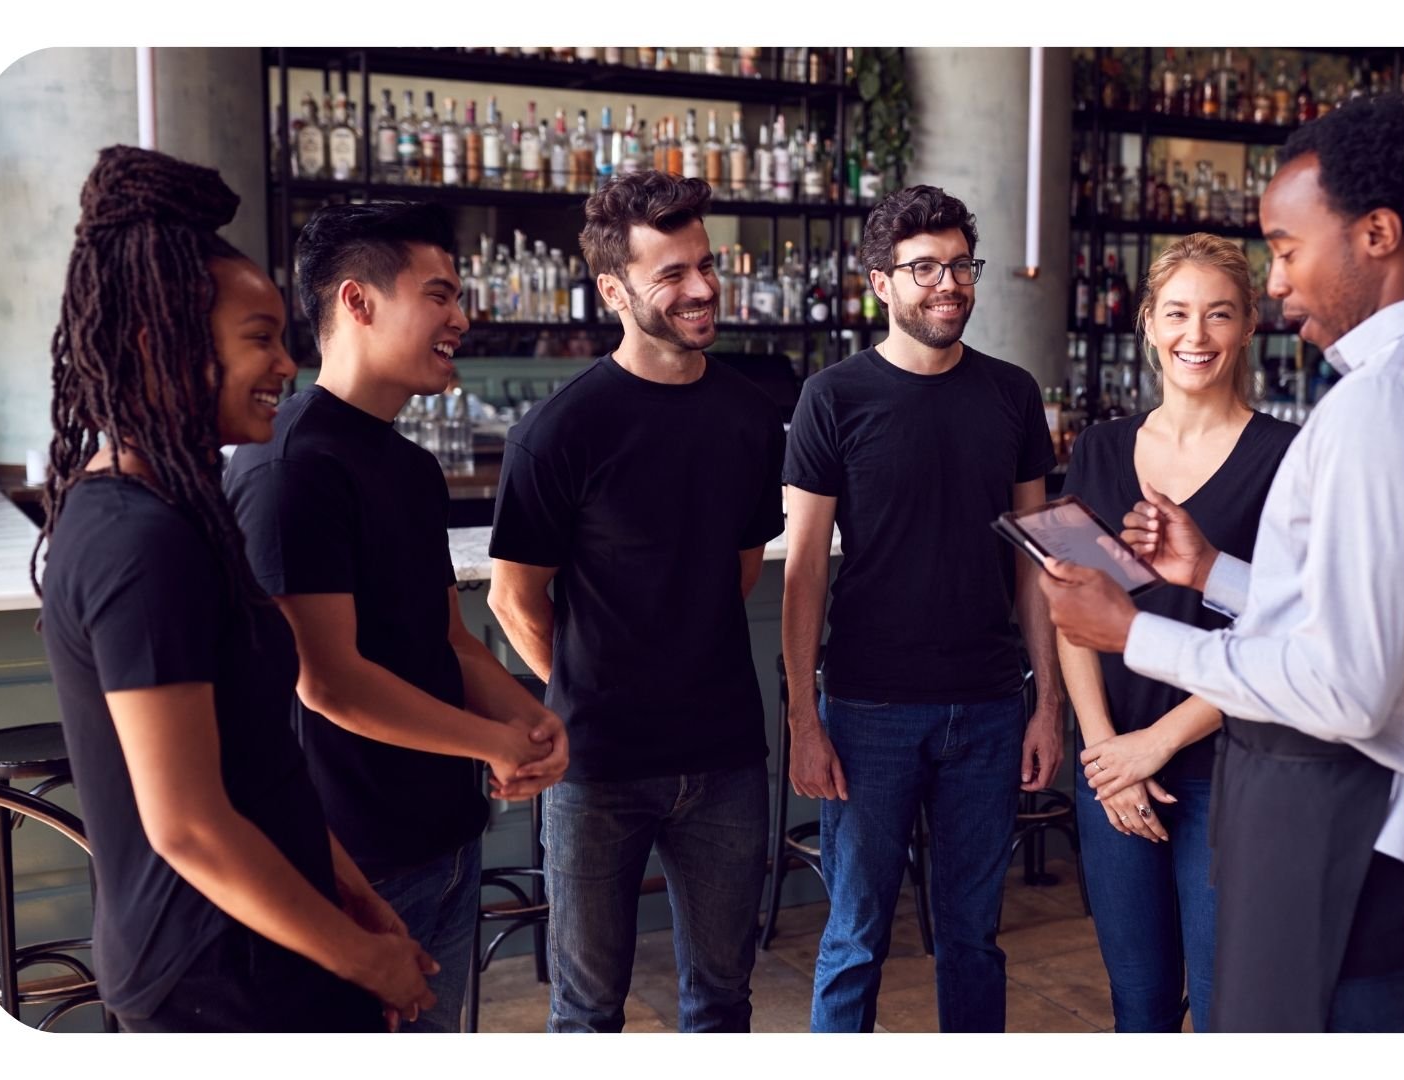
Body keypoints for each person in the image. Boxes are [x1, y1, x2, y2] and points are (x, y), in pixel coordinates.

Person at [1039, 96, 1404, 1032]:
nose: (1277, 283)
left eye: (1287, 247)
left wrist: (1134, 631)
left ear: (1377, 234)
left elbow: (1344, 685)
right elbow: (1366, 609)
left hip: (1352, 836)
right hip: (1399, 837)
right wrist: (1216, 575)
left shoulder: (1387, 401)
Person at [35, 146, 438, 1031]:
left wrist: (358, 902)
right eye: (259, 339)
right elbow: (189, 826)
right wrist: (361, 956)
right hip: (214, 974)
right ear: (160, 342)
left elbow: (261, 765)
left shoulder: (178, 510)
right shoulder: (137, 540)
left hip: (269, 945)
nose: (287, 366)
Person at [226, 201, 568, 1033]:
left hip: (444, 836)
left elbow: (446, 641)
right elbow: (328, 684)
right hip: (351, 860)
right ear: (358, 301)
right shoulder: (292, 467)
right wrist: (490, 743)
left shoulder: (411, 467)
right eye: (440, 295)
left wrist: (533, 717)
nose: (462, 317)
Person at [487, 172, 784, 1033]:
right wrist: (593, 686)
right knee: (586, 1011)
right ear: (614, 290)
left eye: (704, 264)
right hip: (599, 765)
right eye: (671, 274)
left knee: (724, 999)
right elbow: (513, 601)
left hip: (726, 753)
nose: (700, 289)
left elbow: (739, 566)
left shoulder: (748, 415)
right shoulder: (559, 430)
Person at [783, 185, 1064, 1033]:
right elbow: (803, 574)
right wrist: (803, 716)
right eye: (924, 268)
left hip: (987, 704)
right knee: (857, 935)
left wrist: (1046, 704)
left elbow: (1037, 560)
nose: (948, 284)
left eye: (961, 266)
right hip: (868, 707)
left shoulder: (1013, 395)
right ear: (881, 282)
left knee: (974, 936)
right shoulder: (832, 398)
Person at [1058, 234, 1298, 1033]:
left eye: (1219, 314)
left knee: (1231, 1005)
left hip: (1228, 769)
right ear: (1149, 324)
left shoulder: (1287, 459)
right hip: (1110, 768)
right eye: (1179, 314)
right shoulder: (1098, 448)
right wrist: (1105, 754)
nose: (1197, 336)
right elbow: (1071, 608)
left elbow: (1285, 633)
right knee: (1141, 1005)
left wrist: (1156, 742)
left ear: (1250, 324)